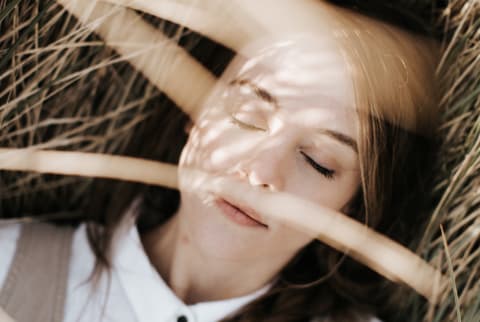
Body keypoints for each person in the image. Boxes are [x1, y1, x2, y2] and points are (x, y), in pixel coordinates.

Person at [0, 1, 439, 321]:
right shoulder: (7, 265)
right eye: (246, 116)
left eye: (319, 161)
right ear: (195, 107)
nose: (259, 174)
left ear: (354, 204)